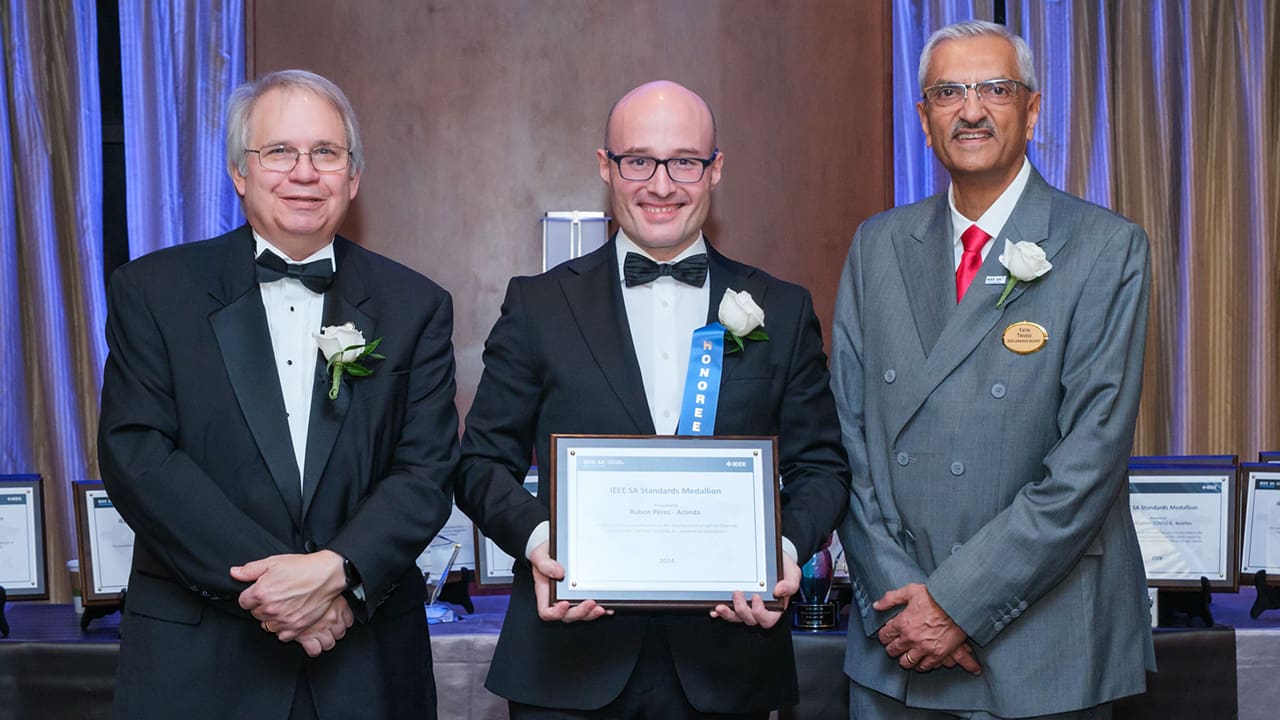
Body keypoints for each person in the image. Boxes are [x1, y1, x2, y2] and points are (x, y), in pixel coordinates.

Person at [455, 80, 850, 718]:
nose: (661, 185)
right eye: (638, 160)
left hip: (730, 666)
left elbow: (822, 468)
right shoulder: (538, 305)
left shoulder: (780, 307)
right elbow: (477, 463)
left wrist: (780, 553)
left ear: (714, 169)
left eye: (684, 162)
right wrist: (540, 541)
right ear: (605, 167)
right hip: (567, 667)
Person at [98, 69, 459, 719]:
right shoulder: (153, 292)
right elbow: (139, 456)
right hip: (199, 662)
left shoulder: (415, 305)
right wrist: (283, 589)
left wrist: (339, 574)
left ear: (352, 177)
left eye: (326, 152)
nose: (304, 171)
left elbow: (426, 469)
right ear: (240, 173)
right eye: (279, 152)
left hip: (364, 663)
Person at [832, 20, 1156, 720]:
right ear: (923, 118)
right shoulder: (877, 245)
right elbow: (847, 439)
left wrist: (956, 603)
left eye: (994, 89)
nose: (970, 109)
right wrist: (904, 602)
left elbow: (1089, 460)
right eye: (948, 92)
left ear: (1033, 109)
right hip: (898, 645)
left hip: (1047, 643)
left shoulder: (1107, 247)